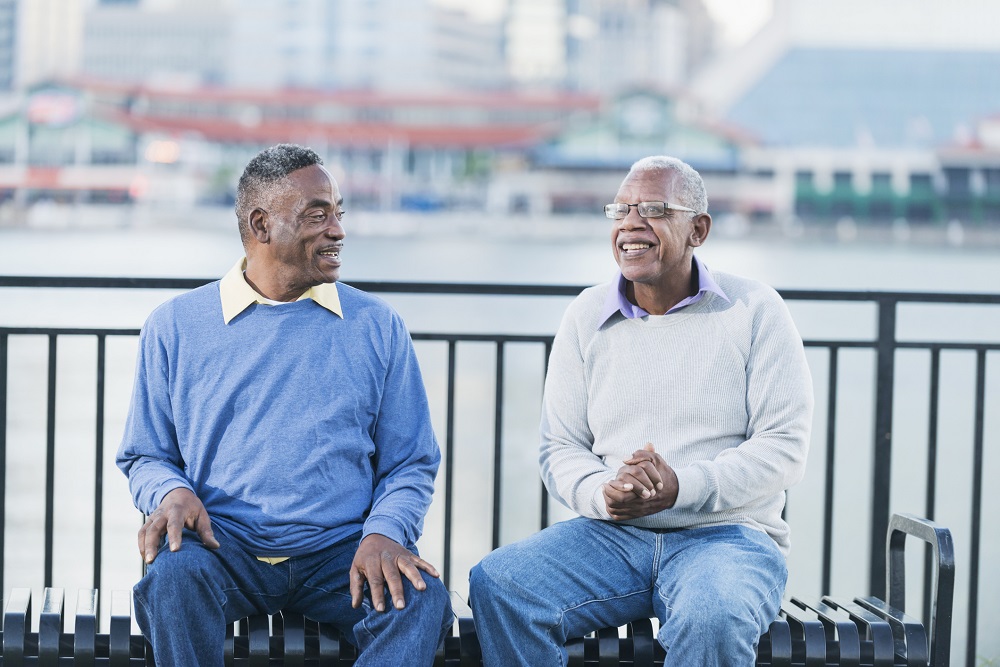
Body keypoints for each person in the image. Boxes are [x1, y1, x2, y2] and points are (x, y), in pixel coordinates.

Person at [469, 156, 814, 666]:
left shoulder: (755, 309)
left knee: (712, 616)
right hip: (611, 535)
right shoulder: (586, 315)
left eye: (653, 209)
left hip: (727, 537)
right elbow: (559, 446)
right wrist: (603, 493)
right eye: (621, 210)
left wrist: (681, 487)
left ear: (698, 229)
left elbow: (784, 448)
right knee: (500, 584)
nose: (631, 224)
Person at [116, 143, 452, 666]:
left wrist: (386, 531)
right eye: (318, 215)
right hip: (223, 550)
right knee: (171, 582)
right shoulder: (175, 326)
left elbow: (410, 462)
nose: (338, 229)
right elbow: (145, 454)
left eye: (339, 213)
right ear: (261, 224)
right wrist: (171, 492)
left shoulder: (378, 326)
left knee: (421, 602)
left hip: (342, 554)